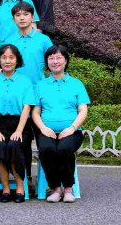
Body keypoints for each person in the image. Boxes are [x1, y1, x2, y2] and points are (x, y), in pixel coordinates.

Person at [33, 46, 87, 203]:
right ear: (47, 62)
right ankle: (55, 188)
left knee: (64, 149)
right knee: (47, 150)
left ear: (66, 61)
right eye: (51, 58)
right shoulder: (40, 85)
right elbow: (35, 112)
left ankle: (68, 188)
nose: (55, 61)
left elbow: (83, 110)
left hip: (72, 131)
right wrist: (43, 128)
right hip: (46, 131)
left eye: (58, 58)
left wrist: (72, 128)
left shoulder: (76, 84)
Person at [0, 44, 37, 202]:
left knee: (15, 144)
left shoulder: (25, 81)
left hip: (21, 125)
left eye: (11, 57)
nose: (7, 61)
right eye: (4, 57)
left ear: (17, 60)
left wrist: (19, 131)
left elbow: (27, 108)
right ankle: (6, 189)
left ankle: (20, 187)